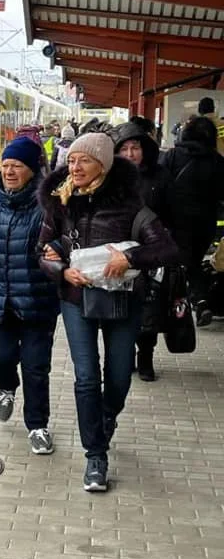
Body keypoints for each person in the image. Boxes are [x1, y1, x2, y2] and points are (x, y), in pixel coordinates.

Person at [39, 133, 177, 492]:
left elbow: (165, 248)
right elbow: (42, 250)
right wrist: (60, 270)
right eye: (71, 161)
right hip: (75, 298)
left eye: (83, 160)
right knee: (86, 378)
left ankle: (106, 418)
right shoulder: (61, 202)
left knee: (118, 376)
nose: (75, 167)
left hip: (123, 302)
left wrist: (128, 258)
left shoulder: (131, 205)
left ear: (103, 164)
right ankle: (95, 456)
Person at [0, 138, 59, 454]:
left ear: (33, 170)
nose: (9, 172)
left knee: (36, 366)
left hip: (37, 301)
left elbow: (65, 238)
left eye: (17, 166)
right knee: (1, 357)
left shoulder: (49, 203)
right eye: (6, 165)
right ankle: (5, 387)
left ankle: (37, 425)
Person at [112, 121, 173, 381]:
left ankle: (145, 358)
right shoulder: (111, 177)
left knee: (149, 308)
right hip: (118, 254)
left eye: (134, 148)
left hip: (151, 252)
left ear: (144, 149)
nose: (130, 154)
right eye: (124, 149)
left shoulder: (160, 176)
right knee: (122, 308)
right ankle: (125, 358)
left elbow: (173, 211)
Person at [160, 116, 224, 326]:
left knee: (183, 264)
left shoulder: (173, 156)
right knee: (192, 262)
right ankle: (198, 301)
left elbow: (160, 186)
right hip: (205, 225)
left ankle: (188, 303)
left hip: (176, 223)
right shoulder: (217, 160)